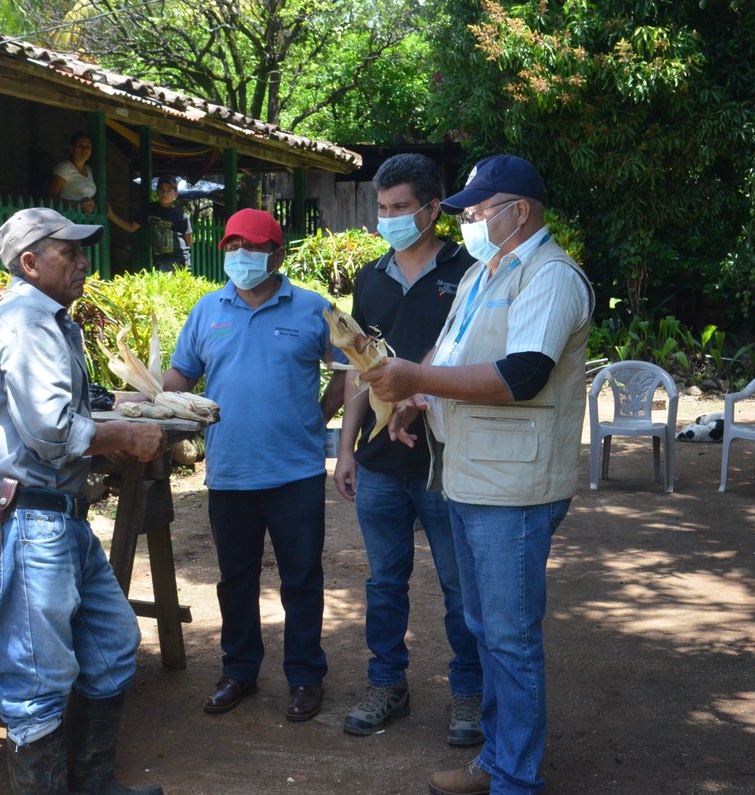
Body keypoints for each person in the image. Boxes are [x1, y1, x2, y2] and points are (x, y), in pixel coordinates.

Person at [361, 155, 594, 795]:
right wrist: (414, 398)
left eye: (479, 210)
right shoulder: (489, 271)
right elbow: (453, 347)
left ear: (518, 211)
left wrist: (416, 378)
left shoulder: (549, 277)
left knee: (510, 638)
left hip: (513, 487)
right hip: (470, 474)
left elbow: (523, 374)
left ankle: (514, 777)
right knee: (487, 629)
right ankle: (496, 760)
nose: (468, 220)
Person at [0, 207, 168, 795]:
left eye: (82, 251)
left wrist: (108, 423)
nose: (83, 262)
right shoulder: (26, 320)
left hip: (54, 515)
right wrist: (122, 436)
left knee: (111, 645)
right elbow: (51, 430)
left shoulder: (49, 320)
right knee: (35, 675)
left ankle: (92, 783)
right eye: (68, 253)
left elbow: (60, 420)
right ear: (30, 263)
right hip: (26, 516)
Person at [163, 208, 340, 724]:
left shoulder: (312, 309)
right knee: (235, 577)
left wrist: (318, 416)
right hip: (230, 471)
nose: (240, 256)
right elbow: (182, 375)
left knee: (301, 578)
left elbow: (348, 369)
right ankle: (239, 670)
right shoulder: (207, 309)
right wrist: (146, 397)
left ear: (278, 253)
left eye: (253, 246)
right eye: (232, 246)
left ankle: (306, 677)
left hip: (295, 472)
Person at [332, 154, 483, 746]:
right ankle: (386, 683)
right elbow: (358, 369)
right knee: (384, 582)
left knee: (457, 583)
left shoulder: (471, 272)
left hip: (446, 461)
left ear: (433, 209)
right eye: (383, 209)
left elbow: (481, 365)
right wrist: (345, 449)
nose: (389, 219)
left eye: (401, 208)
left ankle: (468, 693)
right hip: (379, 465)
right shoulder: (370, 278)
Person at [47, 131, 135, 232]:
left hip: (84, 221)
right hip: (66, 220)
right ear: (71, 149)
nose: (85, 149)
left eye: (88, 146)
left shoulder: (89, 170)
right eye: (80, 146)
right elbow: (51, 196)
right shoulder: (64, 168)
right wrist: (77, 204)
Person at [144, 177, 194, 271]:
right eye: (162, 190)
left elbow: (189, 240)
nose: (165, 193)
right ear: (157, 192)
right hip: (161, 260)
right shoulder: (150, 210)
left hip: (180, 261)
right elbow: (131, 227)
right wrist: (111, 215)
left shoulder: (180, 214)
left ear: (175, 194)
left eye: (169, 190)